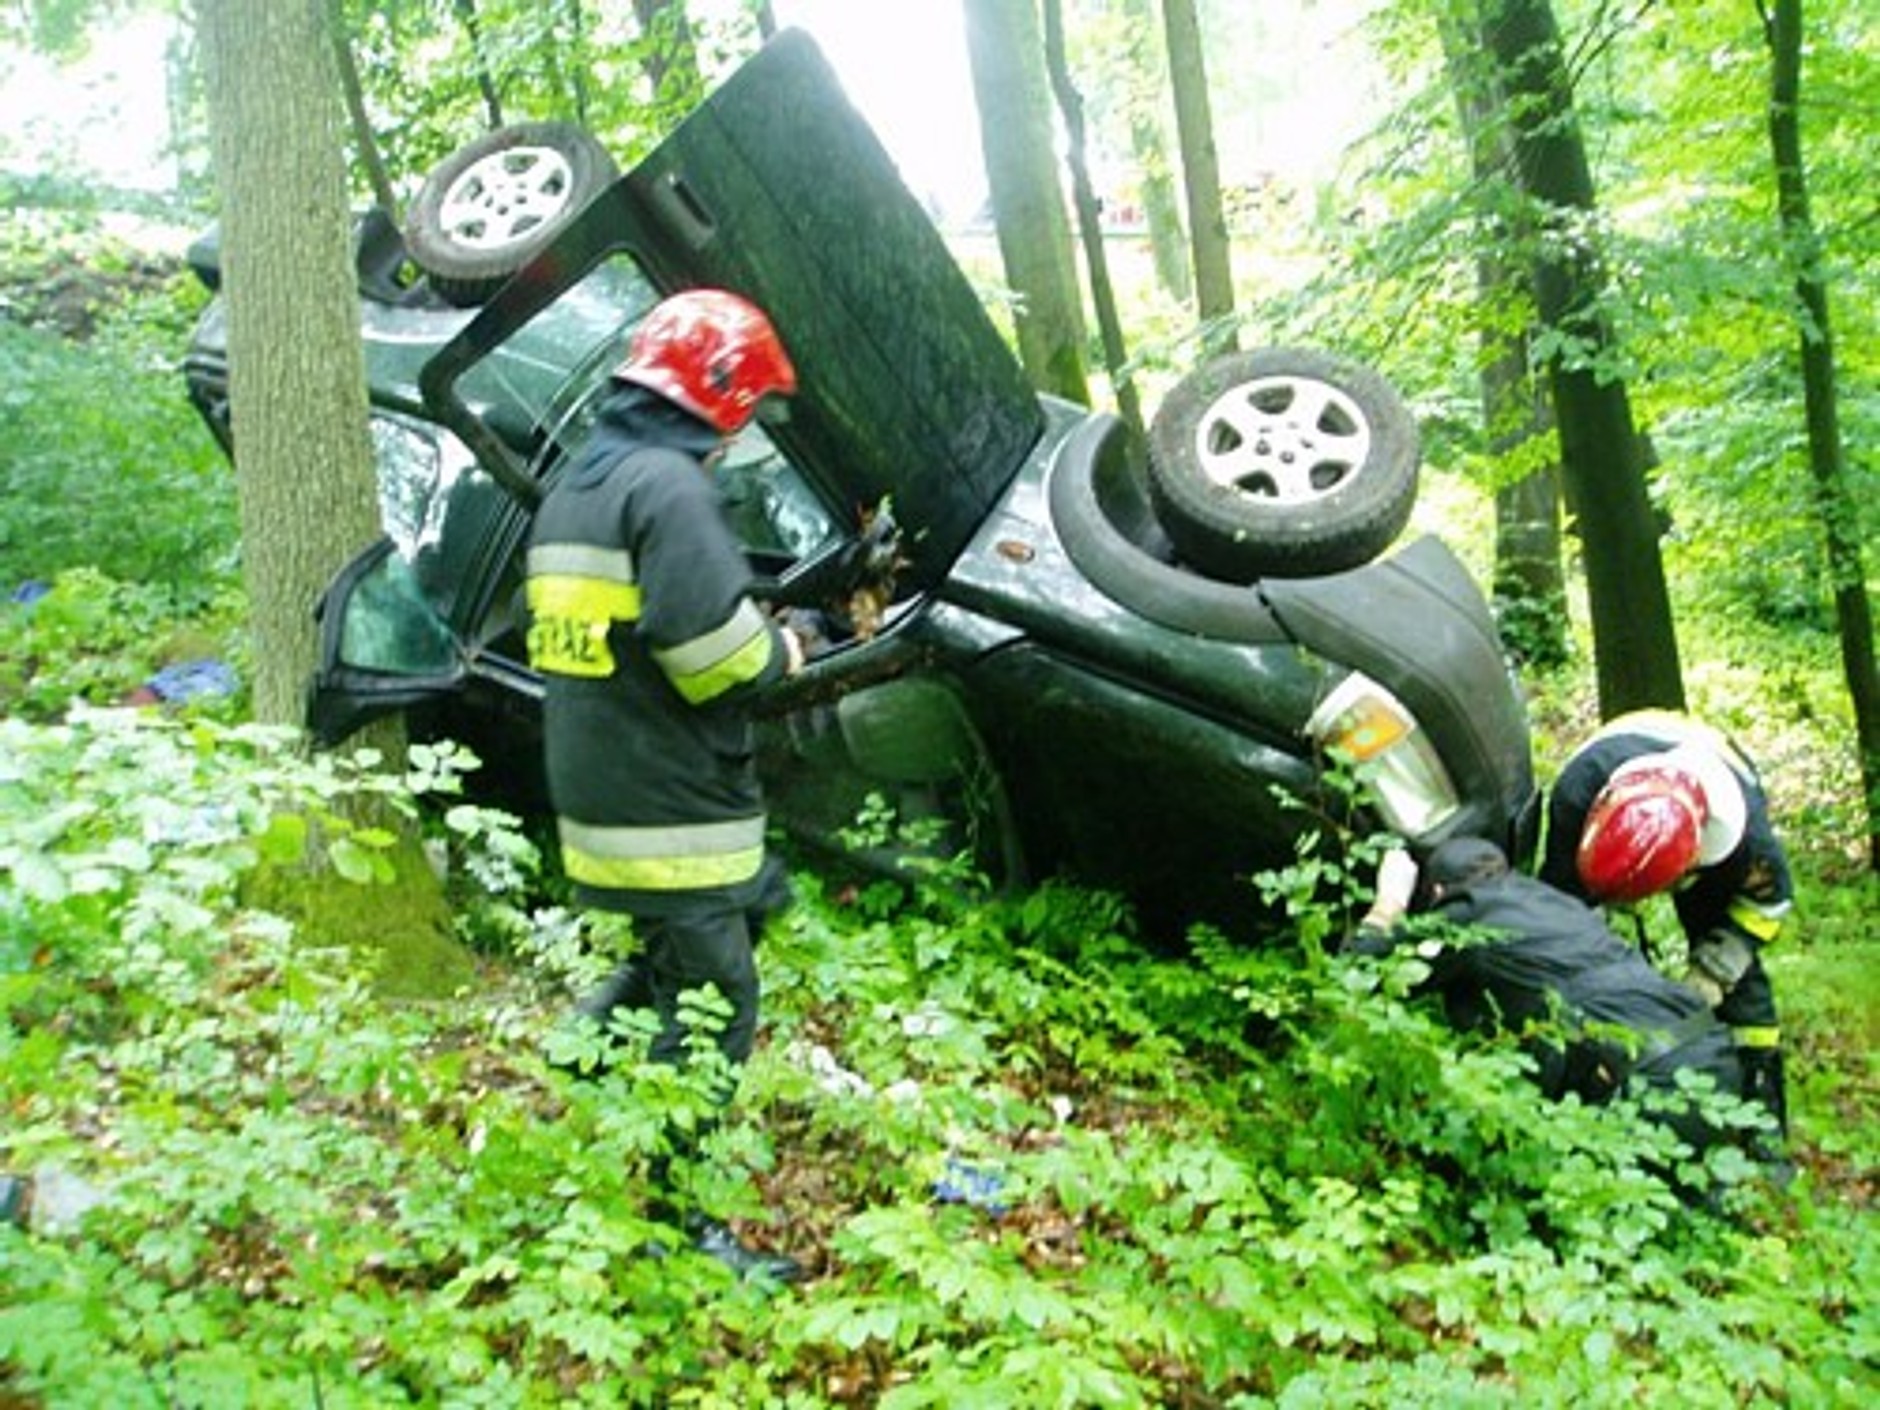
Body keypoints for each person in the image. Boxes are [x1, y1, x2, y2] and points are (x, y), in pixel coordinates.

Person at [526, 288, 809, 1283]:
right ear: (721, 396)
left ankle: (578, 1066)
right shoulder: (670, 488)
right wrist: (784, 645)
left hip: (603, 792)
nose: (743, 435)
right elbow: (712, 659)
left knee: (737, 912)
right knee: (716, 1003)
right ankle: (675, 1227)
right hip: (670, 804)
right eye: (746, 412)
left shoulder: (580, 486)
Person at [1353, 837, 1769, 1164]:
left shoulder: (1467, 915)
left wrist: (1388, 903)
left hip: (1647, 1088)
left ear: (1439, 890)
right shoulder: (1549, 899)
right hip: (1714, 1060)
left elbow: (1357, 975)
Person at [1537, 709, 1792, 1133]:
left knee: (1740, 981)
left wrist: (1716, 968)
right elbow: (1560, 912)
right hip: (1618, 758)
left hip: (1717, 779)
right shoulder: (1576, 795)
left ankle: (1760, 1108)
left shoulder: (1744, 841)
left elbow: (1767, 905)